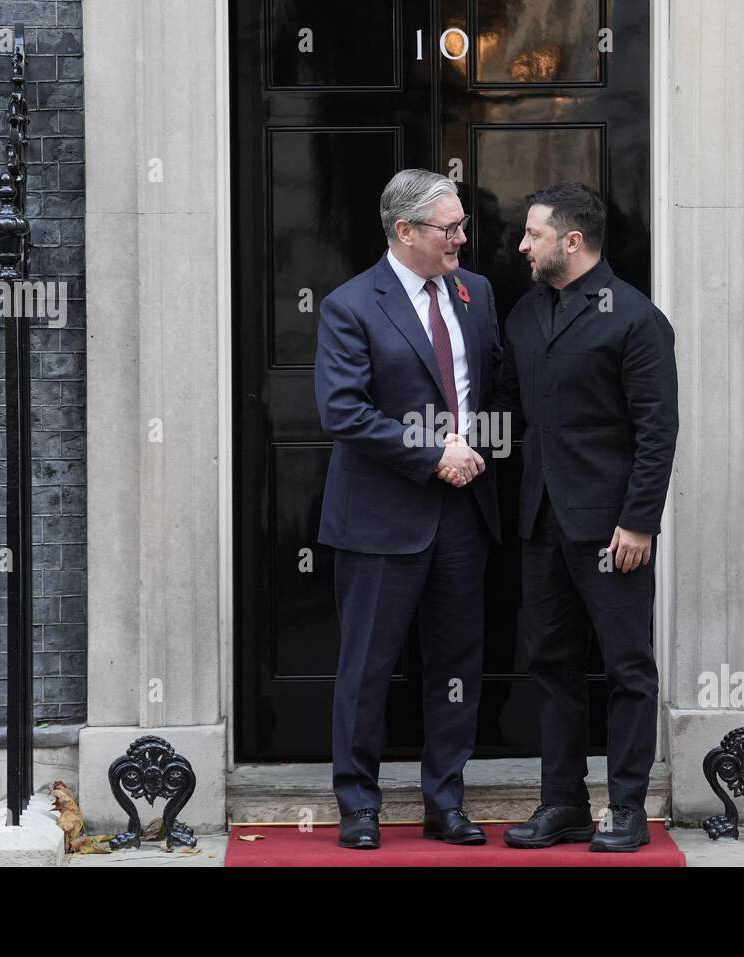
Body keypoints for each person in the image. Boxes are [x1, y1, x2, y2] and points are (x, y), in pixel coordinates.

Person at [487, 182, 678, 852]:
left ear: (572, 241)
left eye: (533, 234)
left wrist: (639, 521)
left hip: (611, 528)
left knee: (628, 667)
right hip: (540, 520)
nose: (521, 245)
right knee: (552, 665)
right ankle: (562, 803)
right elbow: (508, 405)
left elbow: (658, 429)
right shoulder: (523, 314)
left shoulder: (635, 318)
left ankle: (626, 808)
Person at [314, 169, 501, 849]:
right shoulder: (350, 304)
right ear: (405, 231)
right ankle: (358, 804)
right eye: (448, 228)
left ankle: (444, 802)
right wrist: (432, 454)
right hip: (379, 516)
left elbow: (491, 385)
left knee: (456, 666)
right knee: (366, 667)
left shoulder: (474, 292)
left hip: (463, 514)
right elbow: (343, 410)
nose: (461, 237)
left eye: (459, 225)